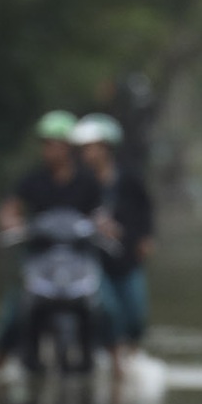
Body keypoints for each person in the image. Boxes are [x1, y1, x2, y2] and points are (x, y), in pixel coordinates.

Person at [0, 110, 105, 371]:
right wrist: (11, 222)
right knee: (14, 310)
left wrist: (105, 227)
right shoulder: (33, 180)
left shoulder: (88, 182)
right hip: (39, 260)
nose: (47, 150)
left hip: (79, 260)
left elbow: (102, 215)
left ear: (68, 147)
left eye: (52, 144)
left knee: (107, 306)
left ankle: (117, 359)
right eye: (44, 144)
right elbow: (10, 209)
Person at [70, 112, 155, 361]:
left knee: (135, 311)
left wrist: (145, 239)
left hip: (126, 258)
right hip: (92, 260)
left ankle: (132, 355)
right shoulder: (80, 183)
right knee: (107, 309)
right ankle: (111, 355)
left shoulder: (129, 180)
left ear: (106, 148)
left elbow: (145, 211)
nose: (87, 154)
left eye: (92, 148)